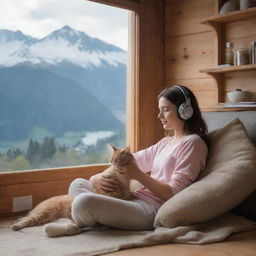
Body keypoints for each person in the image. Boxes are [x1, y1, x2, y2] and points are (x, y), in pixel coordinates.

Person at [68, 85, 209, 231]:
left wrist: (138, 175)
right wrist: (96, 178)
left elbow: (174, 194)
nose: (159, 116)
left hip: (151, 210)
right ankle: (100, 217)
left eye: (166, 110)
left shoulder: (193, 143)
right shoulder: (166, 142)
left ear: (185, 111)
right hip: (135, 198)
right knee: (77, 184)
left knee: (82, 203)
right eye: (159, 110)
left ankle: (94, 217)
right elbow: (130, 160)